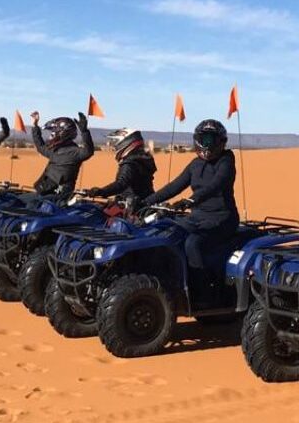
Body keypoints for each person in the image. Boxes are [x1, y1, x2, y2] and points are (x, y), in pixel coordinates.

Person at [140, 119, 238, 295]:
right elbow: (174, 186)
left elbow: (216, 184)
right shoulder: (195, 164)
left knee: (193, 243)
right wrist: (147, 201)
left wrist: (192, 200)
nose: (208, 144)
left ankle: (203, 291)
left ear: (221, 142)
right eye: (204, 139)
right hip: (197, 217)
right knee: (166, 232)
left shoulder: (226, 161)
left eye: (212, 140)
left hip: (222, 218)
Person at [29, 111, 96, 197]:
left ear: (62, 133)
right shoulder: (55, 150)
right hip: (43, 190)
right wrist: (35, 125)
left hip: (58, 197)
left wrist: (84, 131)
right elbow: (40, 146)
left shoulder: (75, 152)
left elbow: (88, 151)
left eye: (54, 132)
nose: (52, 135)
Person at [83, 128, 157, 206]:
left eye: (116, 143)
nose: (115, 146)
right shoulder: (142, 159)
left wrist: (101, 191)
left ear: (126, 142)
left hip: (132, 206)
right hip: (146, 200)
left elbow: (121, 183)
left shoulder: (130, 163)